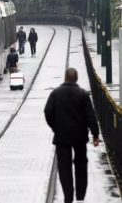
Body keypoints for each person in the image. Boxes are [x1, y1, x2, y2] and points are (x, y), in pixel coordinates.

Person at [44, 68, 100, 203]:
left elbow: (48, 112)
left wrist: (54, 127)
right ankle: (80, 195)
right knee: (81, 164)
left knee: (64, 167)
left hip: (62, 137)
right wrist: (95, 134)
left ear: (65, 78)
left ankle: (68, 196)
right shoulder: (83, 94)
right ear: (76, 78)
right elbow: (90, 116)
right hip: (80, 136)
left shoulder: (55, 94)